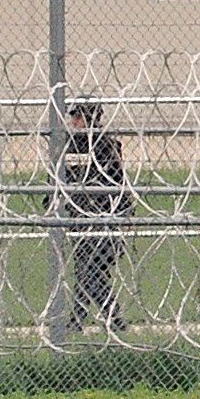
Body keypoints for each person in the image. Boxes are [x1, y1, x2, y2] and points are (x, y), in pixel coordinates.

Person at [55, 98, 130, 332]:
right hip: (80, 217)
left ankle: (110, 320)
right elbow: (61, 176)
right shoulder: (70, 145)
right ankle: (82, 321)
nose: (73, 122)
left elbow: (117, 181)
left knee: (90, 272)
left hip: (103, 217)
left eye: (78, 117)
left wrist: (124, 212)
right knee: (88, 271)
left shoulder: (105, 145)